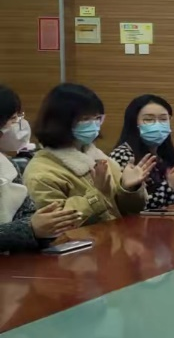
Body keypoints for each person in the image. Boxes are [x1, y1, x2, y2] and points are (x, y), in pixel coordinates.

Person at [23, 83, 155, 224]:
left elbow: (128, 211)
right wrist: (96, 194)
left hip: (116, 235)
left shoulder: (100, 158)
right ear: (60, 121)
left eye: (97, 118)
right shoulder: (41, 173)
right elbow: (57, 224)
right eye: (85, 119)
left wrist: (128, 188)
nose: (93, 125)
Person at [1, 86, 79, 252]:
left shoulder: (7, 165)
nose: (19, 125)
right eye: (13, 119)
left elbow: (26, 215)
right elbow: (28, 227)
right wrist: (30, 229)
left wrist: (45, 227)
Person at [109, 95, 174, 211]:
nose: (157, 125)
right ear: (134, 123)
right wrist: (170, 187)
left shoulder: (163, 155)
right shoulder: (123, 155)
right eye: (148, 119)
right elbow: (132, 207)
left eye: (163, 119)